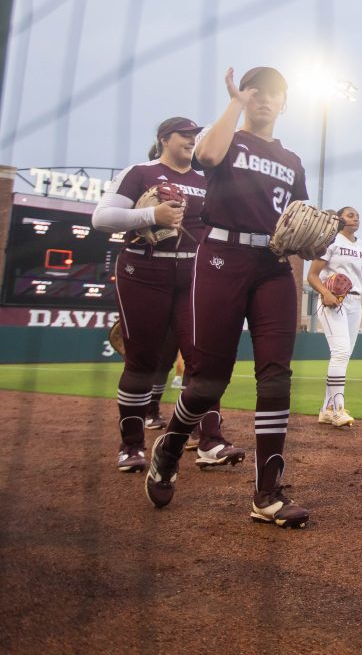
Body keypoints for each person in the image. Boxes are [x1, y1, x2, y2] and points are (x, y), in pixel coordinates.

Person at [144, 66, 312, 529]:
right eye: (257, 91)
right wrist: (235, 102)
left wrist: (312, 240)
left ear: (284, 103)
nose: (265, 98)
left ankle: (268, 493)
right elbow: (207, 155)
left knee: (276, 376)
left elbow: (297, 218)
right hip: (220, 255)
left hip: (273, 266)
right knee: (207, 384)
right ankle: (172, 444)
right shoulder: (230, 140)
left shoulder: (293, 160)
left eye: (274, 92)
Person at [93, 117, 244, 473]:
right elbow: (101, 219)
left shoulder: (207, 178)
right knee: (142, 361)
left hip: (194, 272)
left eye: (196, 135)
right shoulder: (140, 172)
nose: (192, 140)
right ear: (164, 138)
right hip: (143, 271)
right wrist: (151, 214)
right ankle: (131, 446)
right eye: (185, 134)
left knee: (202, 360)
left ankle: (209, 440)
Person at [307, 206, 362, 427]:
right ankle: (337, 409)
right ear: (339, 219)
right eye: (350, 215)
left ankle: (326, 409)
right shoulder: (330, 241)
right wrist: (325, 293)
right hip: (333, 301)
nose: (356, 219)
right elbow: (312, 275)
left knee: (344, 355)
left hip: (355, 303)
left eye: (358, 216)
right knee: (341, 352)